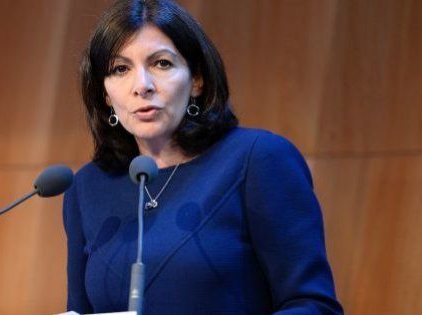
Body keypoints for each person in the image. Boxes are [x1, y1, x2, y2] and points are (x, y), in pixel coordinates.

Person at [63, 0, 343, 314]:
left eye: (161, 63)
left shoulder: (258, 160)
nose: (142, 86)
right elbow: (80, 309)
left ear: (197, 80)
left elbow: (312, 305)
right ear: (104, 93)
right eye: (120, 69)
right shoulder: (87, 187)